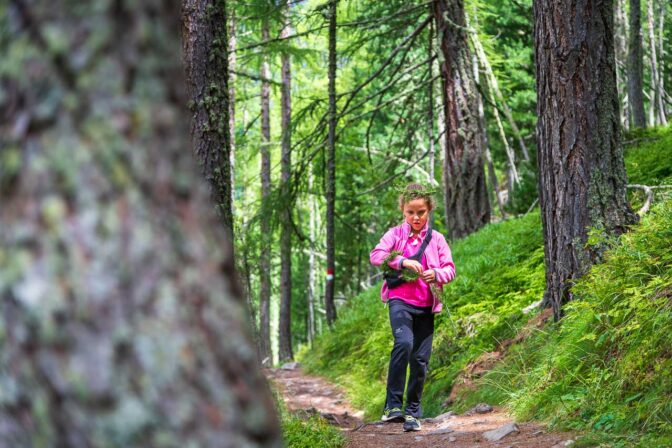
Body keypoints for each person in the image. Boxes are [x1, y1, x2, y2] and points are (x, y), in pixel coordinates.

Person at [369, 183, 456, 432]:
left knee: (420, 360)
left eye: (421, 212)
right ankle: (392, 406)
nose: (416, 217)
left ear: (429, 211)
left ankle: (413, 413)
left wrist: (436, 274)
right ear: (403, 211)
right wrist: (403, 261)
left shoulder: (437, 239)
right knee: (404, 343)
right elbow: (377, 255)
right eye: (410, 212)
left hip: (427, 305)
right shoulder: (395, 234)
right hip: (400, 301)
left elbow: (450, 269)